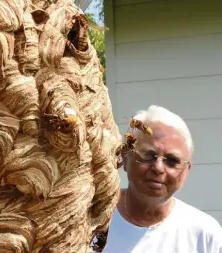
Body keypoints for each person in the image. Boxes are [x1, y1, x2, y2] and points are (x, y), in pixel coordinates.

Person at [92, 105, 222, 253]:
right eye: (148, 155)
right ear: (125, 159)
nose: (158, 168)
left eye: (172, 161)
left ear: (186, 171)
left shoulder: (205, 235)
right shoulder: (90, 217)